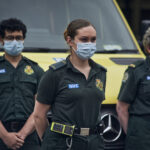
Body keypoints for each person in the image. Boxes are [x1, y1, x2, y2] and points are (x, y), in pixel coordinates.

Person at [33, 19, 107, 150]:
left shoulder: (100, 72)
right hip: (64, 143)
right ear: (69, 40)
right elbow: (39, 115)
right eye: (84, 39)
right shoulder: (55, 73)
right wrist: (49, 142)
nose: (89, 44)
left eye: (93, 39)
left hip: (94, 142)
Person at [0, 18, 44, 150]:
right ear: (1, 40)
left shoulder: (36, 70)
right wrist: (5, 136)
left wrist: (22, 135)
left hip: (29, 137)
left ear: (23, 39)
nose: (15, 42)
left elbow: (40, 109)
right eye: (10, 38)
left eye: (18, 38)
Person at [116, 27, 150, 150]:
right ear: (148, 48)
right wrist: (133, 134)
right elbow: (121, 107)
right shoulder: (137, 71)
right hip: (141, 138)